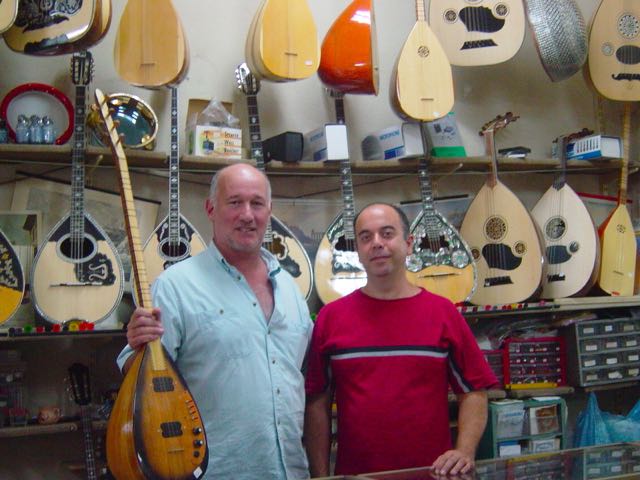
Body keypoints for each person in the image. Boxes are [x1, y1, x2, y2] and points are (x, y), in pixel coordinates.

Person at [117, 163, 313, 479]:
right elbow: (137, 382)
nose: (247, 215)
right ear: (211, 208)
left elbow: (302, 376)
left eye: (257, 203)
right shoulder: (175, 286)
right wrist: (138, 344)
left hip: (291, 470)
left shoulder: (290, 287)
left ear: (269, 211)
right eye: (235, 202)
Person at [304, 203, 498, 477]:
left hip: (431, 474)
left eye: (387, 233)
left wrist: (464, 451)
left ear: (408, 244)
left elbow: (475, 391)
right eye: (366, 237)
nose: (377, 244)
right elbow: (317, 404)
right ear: (357, 251)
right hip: (358, 476)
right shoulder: (331, 318)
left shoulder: (443, 314)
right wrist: (321, 476)